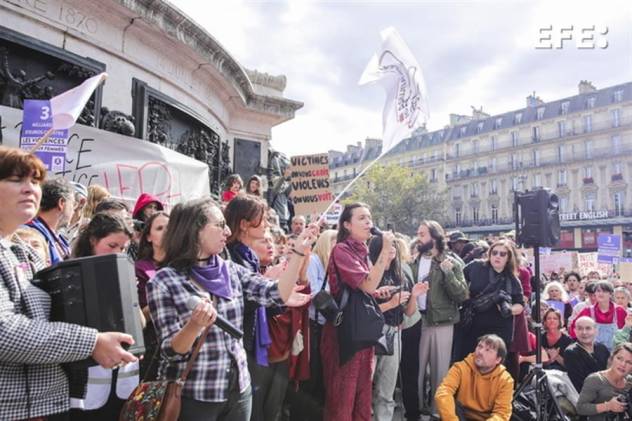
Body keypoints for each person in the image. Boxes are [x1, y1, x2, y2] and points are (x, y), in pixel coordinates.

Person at [147, 198, 316, 421]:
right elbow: (172, 350)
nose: (227, 231)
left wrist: (299, 253)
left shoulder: (230, 269)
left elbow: (276, 294)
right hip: (195, 396)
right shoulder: (164, 281)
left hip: (239, 390)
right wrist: (194, 325)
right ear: (195, 229)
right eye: (219, 224)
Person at [0, 146, 136, 420]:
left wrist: (123, 335)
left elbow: (56, 314)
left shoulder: (20, 251)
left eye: (35, 181)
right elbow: (5, 333)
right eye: (17, 180)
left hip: (42, 404)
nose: (30, 188)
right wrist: (92, 342)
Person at [320, 203, 395, 421]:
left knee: (363, 397)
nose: (368, 222)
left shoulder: (362, 251)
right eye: (362, 218)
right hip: (345, 337)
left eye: (370, 217)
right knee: (343, 401)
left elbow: (365, 290)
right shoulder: (342, 249)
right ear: (347, 224)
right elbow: (367, 284)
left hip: (362, 335)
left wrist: (377, 292)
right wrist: (384, 250)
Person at [68, 213, 139, 420]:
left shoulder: (126, 271)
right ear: (93, 241)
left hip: (122, 384)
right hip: (86, 389)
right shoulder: (72, 274)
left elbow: (138, 327)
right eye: (112, 245)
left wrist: (130, 298)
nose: (118, 253)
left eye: (123, 248)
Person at [370, 233, 428, 421]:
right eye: (387, 244)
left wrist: (414, 295)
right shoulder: (368, 273)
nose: (392, 248)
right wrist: (390, 303)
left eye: (394, 244)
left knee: (386, 390)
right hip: (369, 334)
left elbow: (409, 312)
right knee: (364, 387)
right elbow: (361, 312)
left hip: (394, 332)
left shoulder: (401, 273)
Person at [413, 220, 468, 418]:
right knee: (417, 370)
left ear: (434, 237)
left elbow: (462, 295)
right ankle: (418, 409)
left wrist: (448, 274)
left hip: (442, 322)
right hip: (416, 321)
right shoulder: (414, 260)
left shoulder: (451, 261)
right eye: (418, 234)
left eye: (422, 234)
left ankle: (438, 411)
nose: (418, 238)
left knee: (440, 370)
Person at [289, 229, 337, 421]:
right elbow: (314, 293)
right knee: (310, 377)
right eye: (335, 242)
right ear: (326, 243)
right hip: (312, 327)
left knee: (322, 379)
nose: (338, 247)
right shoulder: (316, 261)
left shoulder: (332, 265)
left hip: (326, 328)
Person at [456, 239, 525, 361]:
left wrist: (509, 309)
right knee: (468, 364)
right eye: (494, 253)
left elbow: (520, 305)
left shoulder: (513, 280)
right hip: (472, 325)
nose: (497, 256)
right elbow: (459, 281)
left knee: (493, 367)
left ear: (508, 258)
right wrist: (465, 297)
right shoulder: (476, 266)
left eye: (502, 254)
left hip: (499, 330)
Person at [435, 334, 513, 421]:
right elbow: (443, 392)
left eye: (488, 350)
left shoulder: (506, 380)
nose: (481, 352)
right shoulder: (460, 367)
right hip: (458, 417)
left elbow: (502, 413)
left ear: (498, 359)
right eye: (480, 346)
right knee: (452, 405)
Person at [135, 211, 169, 379]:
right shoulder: (140, 268)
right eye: (160, 228)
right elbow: (140, 316)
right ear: (148, 237)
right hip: (153, 344)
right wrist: (164, 296)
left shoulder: (184, 265)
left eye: (170, 228)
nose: (167, 232)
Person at [25, 176, 75, 265]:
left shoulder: (59, 238)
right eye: (72, 205)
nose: (73, 211)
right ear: (61, 203)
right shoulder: (30, 235)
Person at [576, 342, 632, 420]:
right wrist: (608, 406)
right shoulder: (595, 379)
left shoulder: (630, 381)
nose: (623, 364)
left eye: (629, 362)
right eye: (619, 358)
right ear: (612, 358)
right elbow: (580, 408)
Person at [570, 281, 627, 351]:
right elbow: (574, 327)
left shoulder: (619, 311)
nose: (601, 293)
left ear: (611, 294)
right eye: (598, 291)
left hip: (615, 354)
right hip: (593, 354)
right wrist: (582, 345)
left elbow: (628, 331)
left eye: (604, 291)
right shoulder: (588, 311)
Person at [565, 316, 611, 392]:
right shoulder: (571, 352)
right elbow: (578, 383)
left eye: (588, 328)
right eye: (580, 329)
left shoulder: (602, 348)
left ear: (595, 331)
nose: (584, 332)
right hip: (586, 395)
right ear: (575, 331)